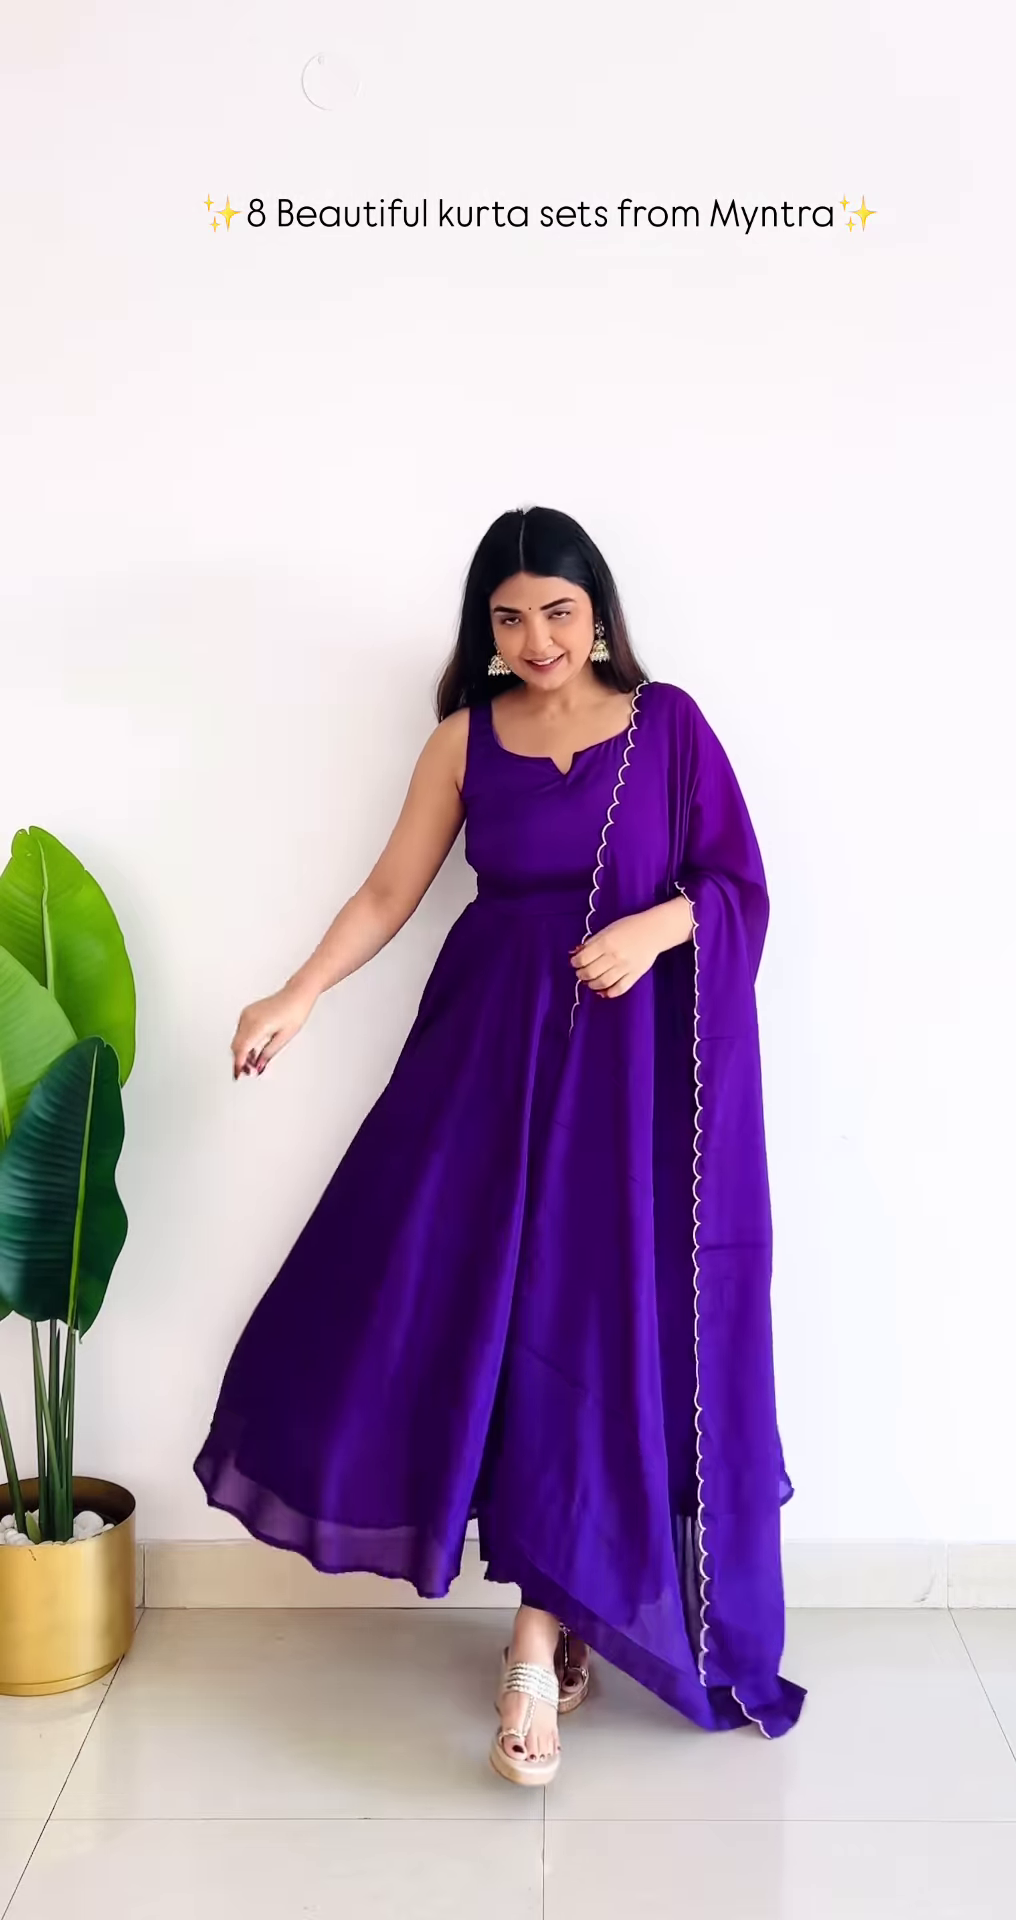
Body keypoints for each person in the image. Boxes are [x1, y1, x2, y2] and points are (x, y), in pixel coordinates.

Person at [194, 503, 805, 1784]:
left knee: (590, 1330)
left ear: (601, 615)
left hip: (627, 1083)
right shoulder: (463, 742)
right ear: (486, 627)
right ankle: (559, 1609)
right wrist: (299, 994)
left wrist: (655, 929)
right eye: (511, 617)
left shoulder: (668, 728)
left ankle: (536, 1642)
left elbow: (740, 886)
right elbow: (388, 892)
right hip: (484, 1069)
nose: (537, 640)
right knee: (437, 1306)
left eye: (560, 613)